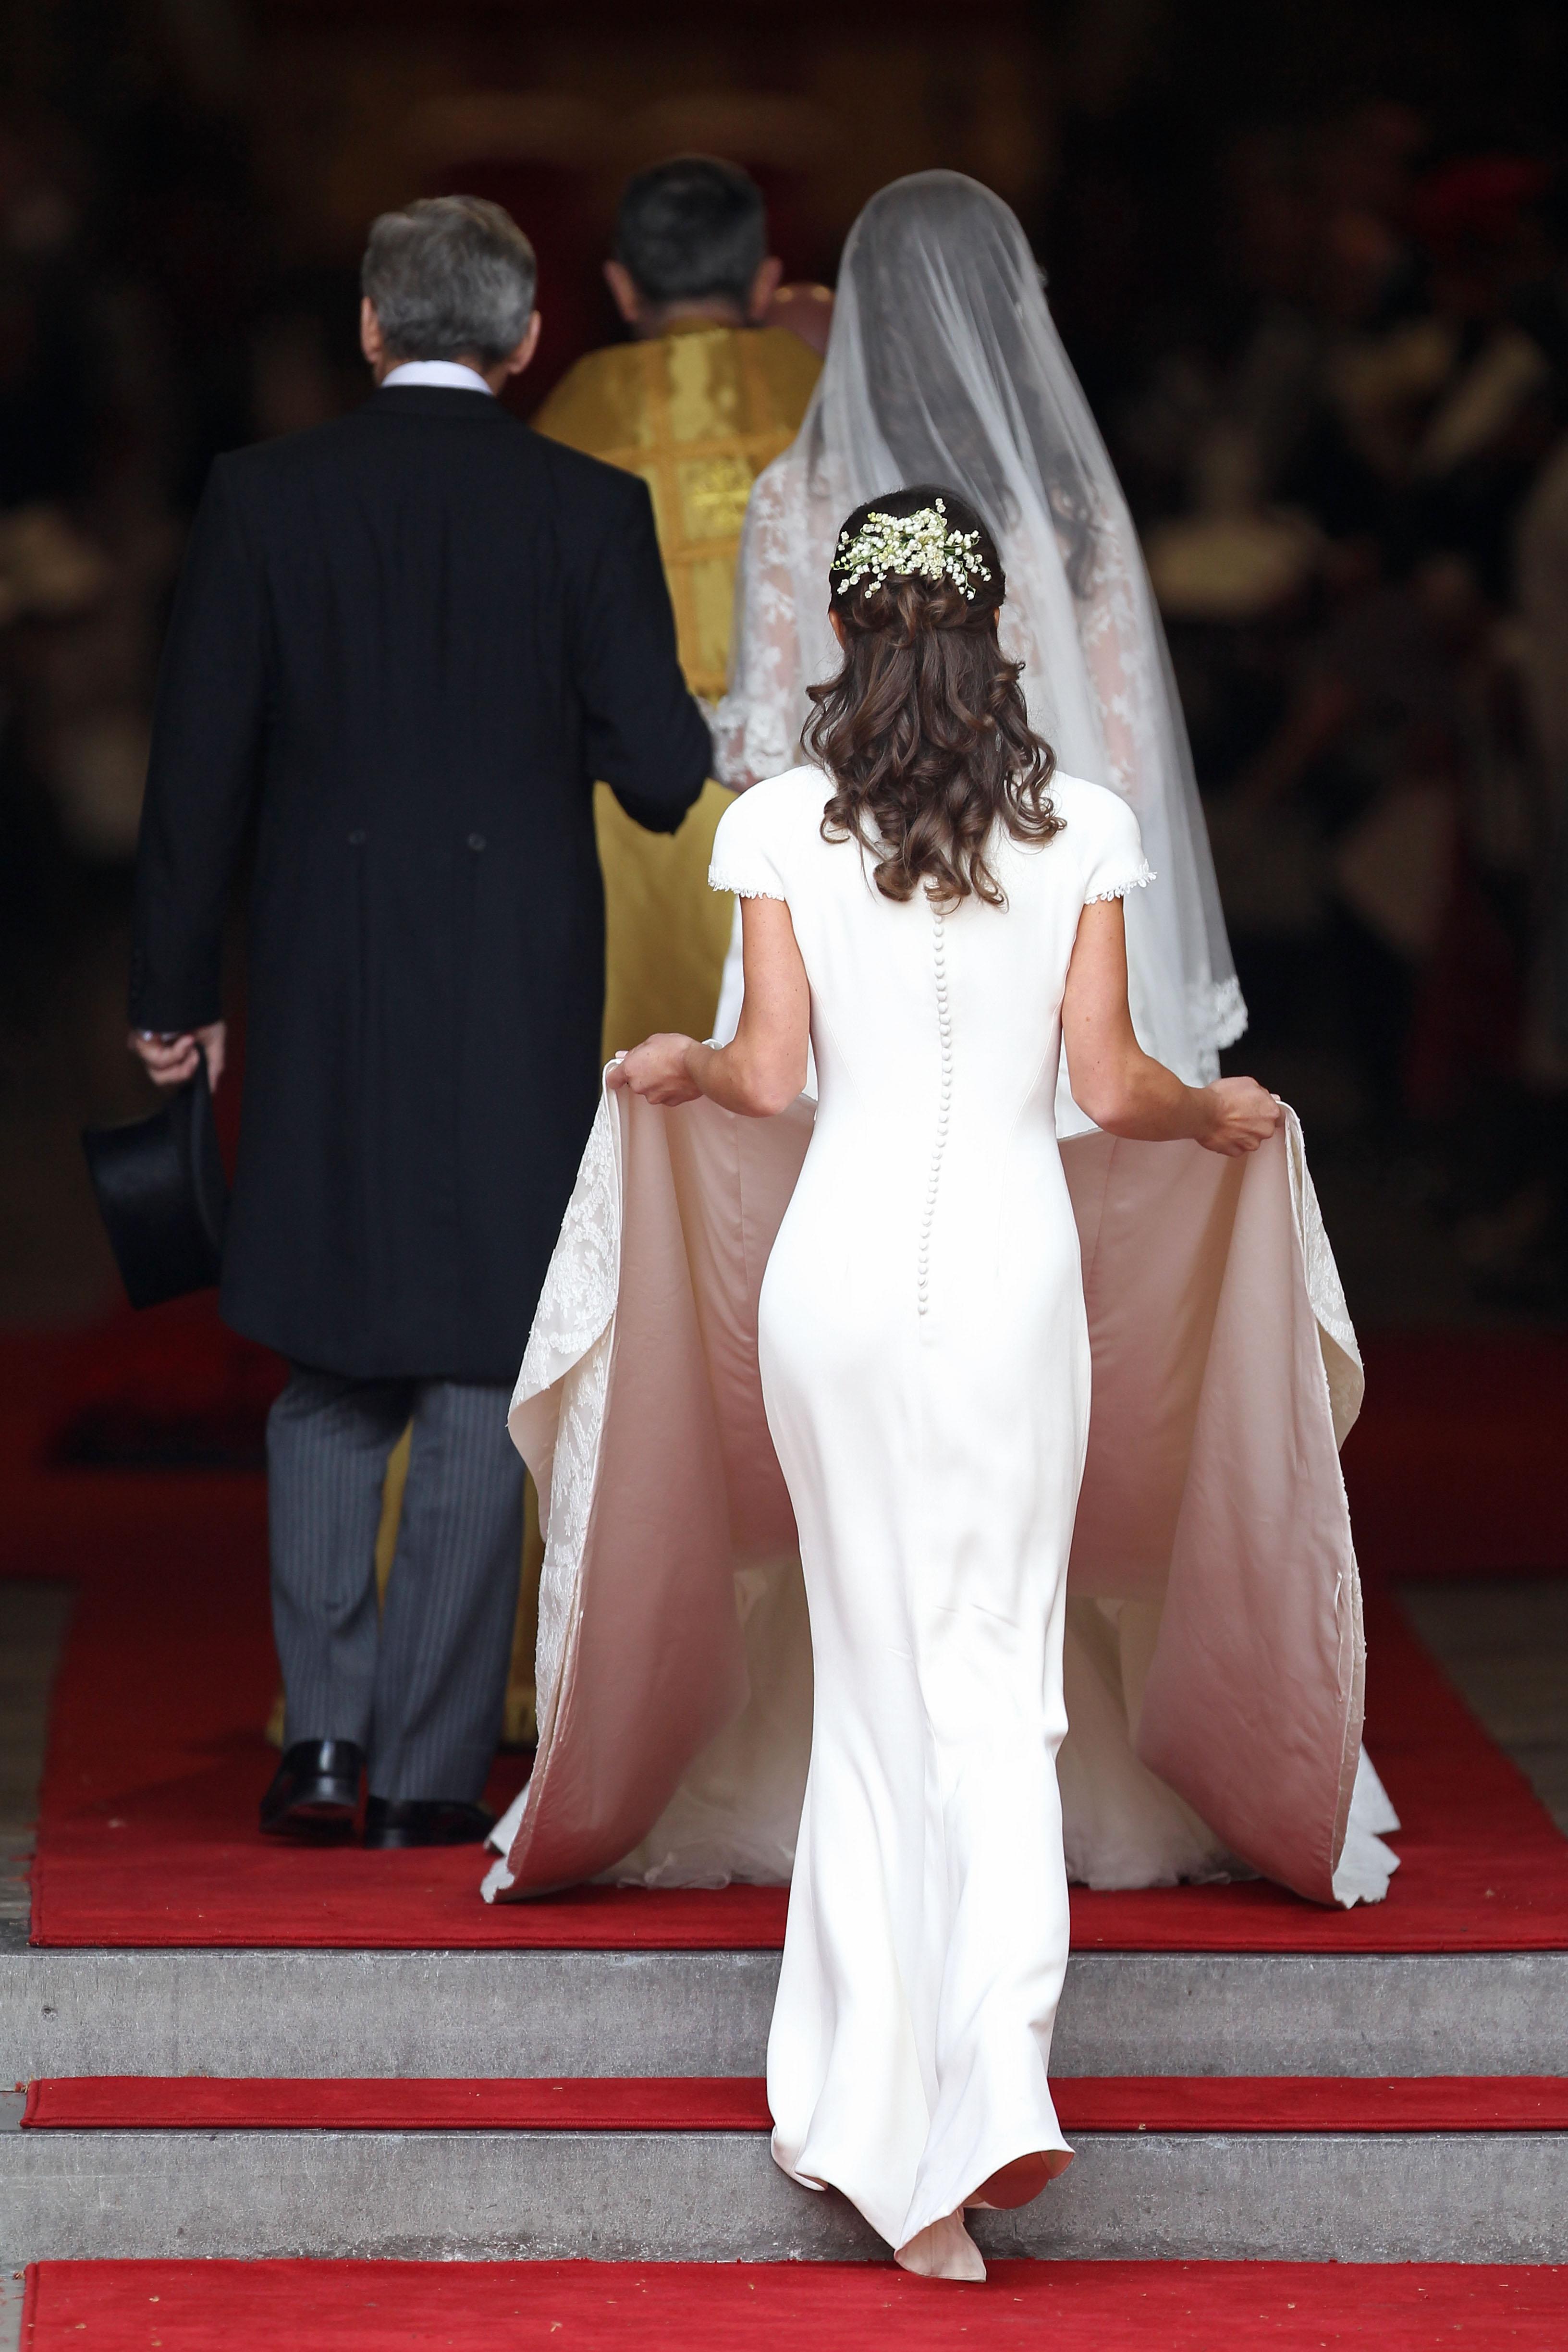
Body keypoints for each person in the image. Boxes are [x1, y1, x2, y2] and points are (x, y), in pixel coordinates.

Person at [600, 490, 1280, 2277]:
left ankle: (874, 2113)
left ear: (840, 631)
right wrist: (1223, 1111)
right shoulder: (1081, 827)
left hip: (831, 1292)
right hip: (1003, 1281)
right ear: (999, 638)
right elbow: (1118, 1086)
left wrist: (673, 1056)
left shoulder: (772, 825)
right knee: (996, 1682)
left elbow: (761, 1077)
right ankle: (977, 2103)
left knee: (875, 1673)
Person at [128, 195, 710, 1850]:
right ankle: (436, 1768)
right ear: (528, 344)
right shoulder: (587, 507)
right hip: (513, 982)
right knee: (472, 1359)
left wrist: (173, 1002)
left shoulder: (261, 496)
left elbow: (196, 775)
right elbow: (663, 772)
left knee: (325, 1355)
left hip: (320, 972)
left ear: (373, 329)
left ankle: (319, 1744)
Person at [712, 171, 1246, 1112]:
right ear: (1013, 315)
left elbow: (761, 758)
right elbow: (1130, 767)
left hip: (846, 929)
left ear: (865, 318)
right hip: (1048, 922)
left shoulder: (793, 499)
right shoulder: (1073, 513)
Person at [533, 156, 822, 1054]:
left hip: (626, 817)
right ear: (768, 281)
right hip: (815, 799)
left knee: (645, 1092)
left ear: (622, 287)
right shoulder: (829, 399)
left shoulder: (570, 419)